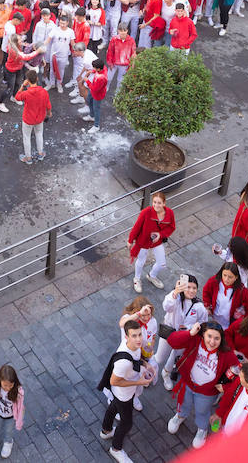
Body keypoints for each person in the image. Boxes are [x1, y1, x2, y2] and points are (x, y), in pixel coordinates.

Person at [164, 320, 239, 450]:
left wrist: (225, 388)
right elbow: (172, 341)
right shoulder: (195, 340)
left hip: (207, 392)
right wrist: (190, 333)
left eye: (217, 338)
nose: (212, 341)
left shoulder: (227, 354)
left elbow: (238, 376)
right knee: (183, 403)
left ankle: (202, 429)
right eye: (209, 336)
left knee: (202, 411)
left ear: (222, 339)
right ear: (203, 334)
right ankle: (180, 416)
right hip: (187, 383)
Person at [97, 318, 149, 463]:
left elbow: (136, 359)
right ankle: (116, 449)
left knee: (113, 407)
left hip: (121, 394)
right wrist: (139, 382)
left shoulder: (134, 347)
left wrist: (146, 364)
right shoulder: (123, 363)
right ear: (126, 337)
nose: (138, 339)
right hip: (124, 395)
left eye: (140, 334)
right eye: (134, 335)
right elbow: (114, 381)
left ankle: (106, 431)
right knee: (126, 423)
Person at [126, 190, 175, 292]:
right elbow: (137, 227)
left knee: (162, 263)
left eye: (159, 203)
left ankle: (151, 276)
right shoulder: (146, 212)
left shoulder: (169, 213)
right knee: (141, 261)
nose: (156, 205)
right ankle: (137, 279)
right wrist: (130, 240)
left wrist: (160, 234)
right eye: (154, 202)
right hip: (143, 241)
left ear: (164, 203)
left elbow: (171, 227)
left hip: (157, 241)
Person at [212, 362, 248, 436]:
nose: (238, 378)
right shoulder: (239, 382)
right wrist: (219, 414)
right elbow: (228, 396)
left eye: (241, 377)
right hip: (224, 428)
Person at [13, 68, 51, 164]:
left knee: (27, 137)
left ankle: (28, 158)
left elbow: (17, 97)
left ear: (28, 80)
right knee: (39, 134)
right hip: (39, 118)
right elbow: (48, 105)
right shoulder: (44, 92)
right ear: (37, 79)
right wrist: (49, 113)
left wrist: (22, 86)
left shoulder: (26, 93)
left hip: (28, 119)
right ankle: (40, 154)